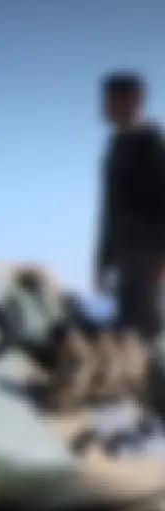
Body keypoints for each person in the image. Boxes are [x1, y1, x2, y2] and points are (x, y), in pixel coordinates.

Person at [93, 71, 165, 344]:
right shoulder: (116, 145)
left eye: (111, 100)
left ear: (133, 100)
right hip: (125, 254)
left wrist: (161, 257)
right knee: (127, 329)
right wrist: (103, 261)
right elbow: (110, 209)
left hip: (148, 254)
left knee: (144, 331)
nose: (105, 107)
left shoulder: (152, 145)